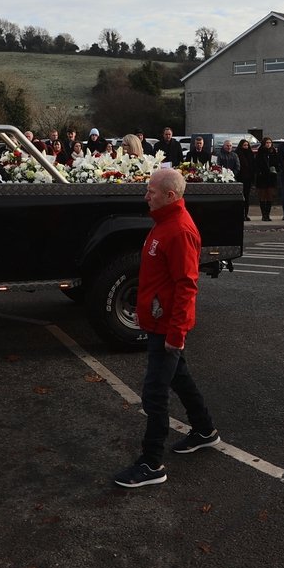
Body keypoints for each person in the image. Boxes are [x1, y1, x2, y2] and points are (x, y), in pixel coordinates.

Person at [112, 168, 220, 488]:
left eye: (151, 191)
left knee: (154, 393)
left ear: (170, 196)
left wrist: (177, 332)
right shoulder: (163, 223)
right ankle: (204, 430)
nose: (146, 195)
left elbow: (187, 285)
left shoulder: (180, 230)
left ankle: (152, 463)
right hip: (159, 322)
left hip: (167, 326)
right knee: (180, 377)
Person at [254, 137, 278, 221]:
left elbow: (276, 163)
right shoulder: (260, 152)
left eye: (270, 143)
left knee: (270, 196)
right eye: (267, 143)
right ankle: (264, 215)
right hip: (262, 177)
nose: (268, 144)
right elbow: (257, 164)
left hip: (271, 177)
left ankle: (268, 214)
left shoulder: (273, 152)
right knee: (262, 196)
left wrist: (275, 170)